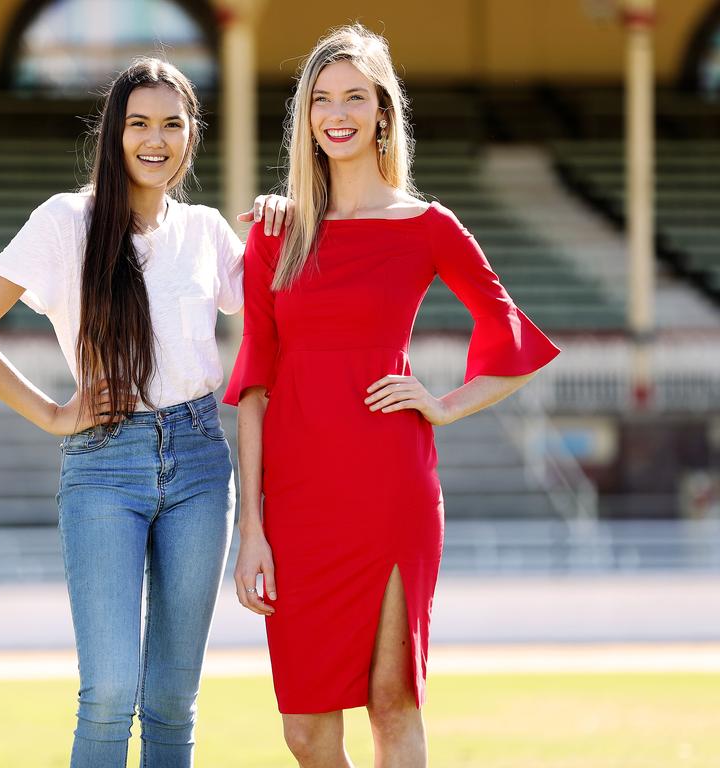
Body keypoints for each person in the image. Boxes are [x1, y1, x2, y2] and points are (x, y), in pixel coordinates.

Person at [224, 24, 560, 768]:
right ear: (305, 116)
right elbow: (253, 381)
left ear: (383, 112)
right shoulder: (277, 235)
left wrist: (444, 404)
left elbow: (512, 331)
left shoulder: (427, 226)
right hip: (298, 496)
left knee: (391, 703)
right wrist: (251, 526)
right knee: (305, 731)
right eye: (320, 99)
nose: (336, 113)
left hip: (389, 486)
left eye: (354, 97)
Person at [0, 57, 287, 768]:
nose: (154, 139)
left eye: (171, 123)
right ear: (114, 133)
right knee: (109, 692)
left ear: (192, 135)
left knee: (171, 700)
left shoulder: (207, 230)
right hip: (104, 467)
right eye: (137, 123)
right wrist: (53, 415)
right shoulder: (65, 222)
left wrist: (284, 217)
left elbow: (282, 304)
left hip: (198, 463)